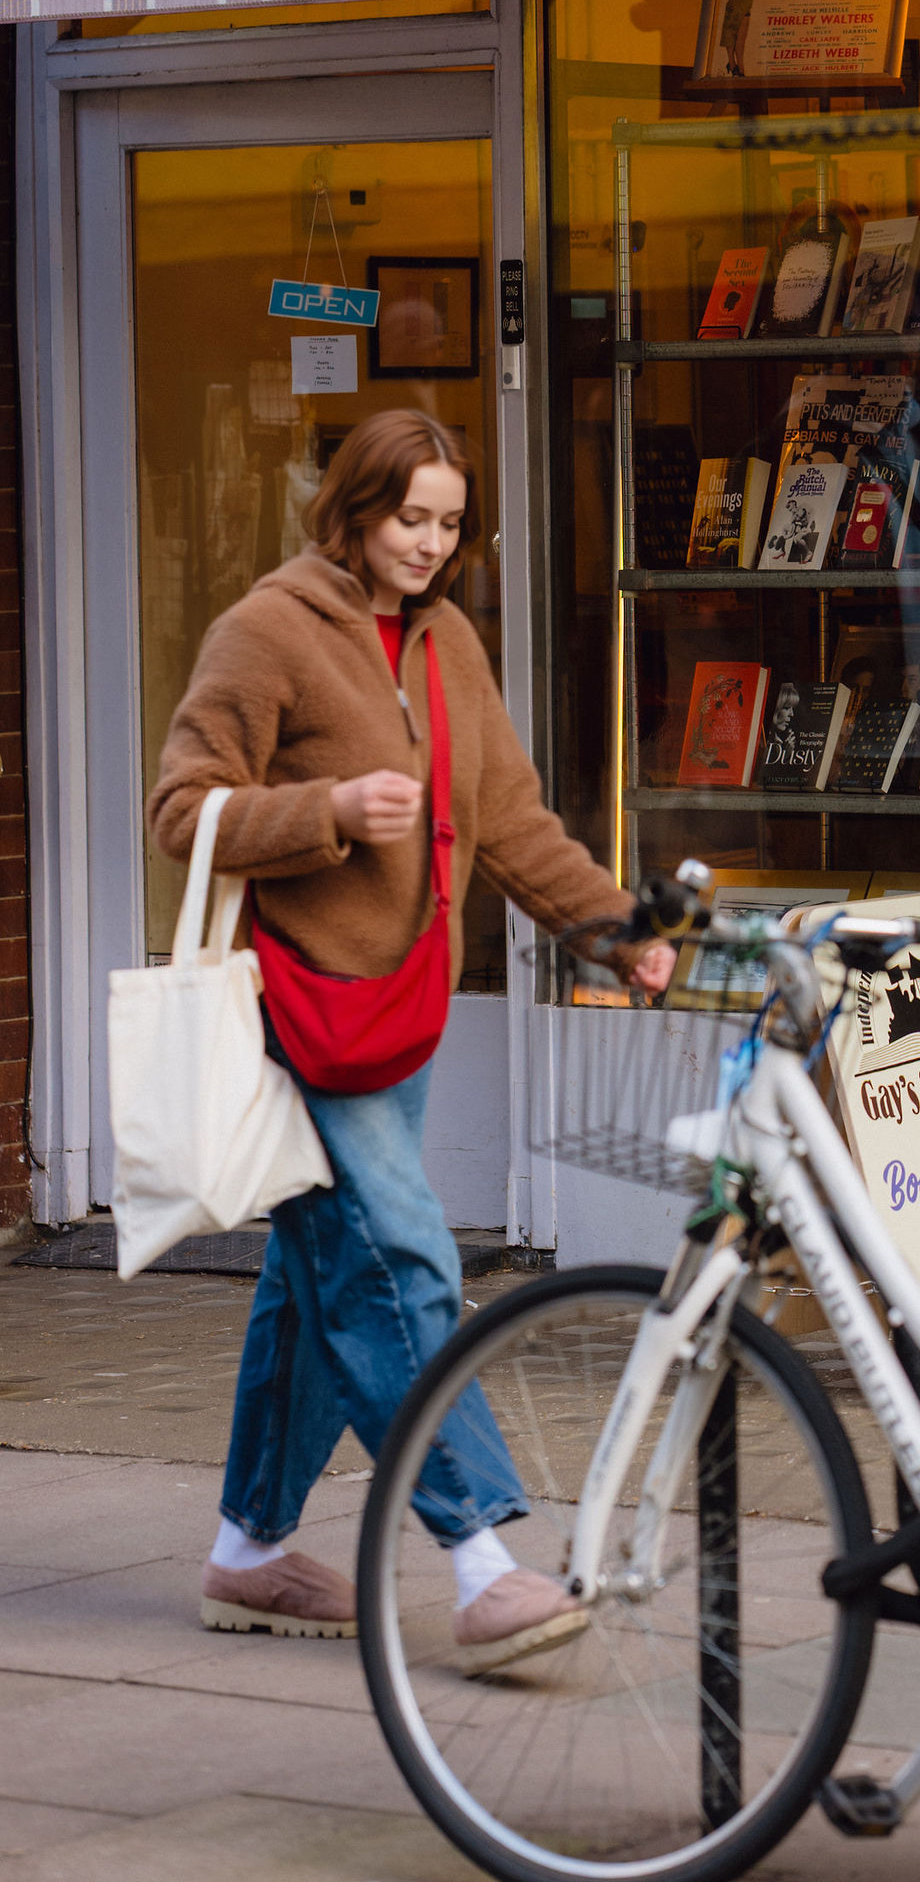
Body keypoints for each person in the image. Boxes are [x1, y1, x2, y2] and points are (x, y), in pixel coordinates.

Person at [146, 408, 674, 1669]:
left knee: (313, 1282)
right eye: (409, 518)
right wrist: (325, 807)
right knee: (398, 1262)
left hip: (393, 1013)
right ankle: (481, 1556)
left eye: (449, 523)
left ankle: (248, 1548)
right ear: (354, 509)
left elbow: (511, 821)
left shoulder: (448, 642)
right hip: (299, 1010)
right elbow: (183, 809)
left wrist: (616, 931)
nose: (431, 543)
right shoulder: (268, 630)